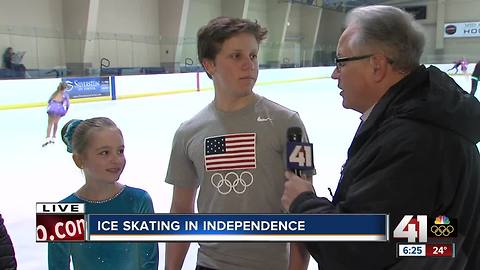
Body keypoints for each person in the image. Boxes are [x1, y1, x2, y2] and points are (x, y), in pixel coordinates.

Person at [282, 5, 480, 270]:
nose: (334, 73)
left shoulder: (413, 141)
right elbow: (404, 231)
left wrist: (302, 202)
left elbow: (358, 248)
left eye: (341, 61)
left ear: (376, 65)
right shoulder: (414, 121)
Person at [165, 17, 313, 270]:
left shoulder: (290, 124)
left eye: (253, 56)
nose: (249, 65)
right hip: (210, 264)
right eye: (236, 56)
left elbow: (305, 208)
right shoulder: (187, 133)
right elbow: (180, 211)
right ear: (209, 64)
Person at [48, 117, 159, 270]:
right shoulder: (61, 213)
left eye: (120, 151)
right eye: (104, 153)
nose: (116, 160)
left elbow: (149, 262)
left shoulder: (139, 201)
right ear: (79, 160)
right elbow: (57, 266)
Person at [42, 82, 70, 147]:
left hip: (52, 109)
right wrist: (66, 111)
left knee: (49, 124)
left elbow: (49, 101)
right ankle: (54, 137)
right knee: (56, 123)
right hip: (59, 109)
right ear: (65, 88)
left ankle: (47, 137)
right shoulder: (65, 95)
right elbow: (67, 104)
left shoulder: (54, 93)